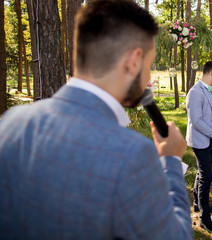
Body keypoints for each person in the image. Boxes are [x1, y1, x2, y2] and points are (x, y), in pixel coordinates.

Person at [0, 1, 193, 239]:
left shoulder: (10, 121)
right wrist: (171, 160)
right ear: (133, 62)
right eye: (149, 65)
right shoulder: (131, 154)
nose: (149, 76)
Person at [185, 61, 212, 233]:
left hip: (208, 139)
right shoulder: (195, 92)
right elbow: (196, 121)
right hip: (200, 141)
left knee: (202, 172)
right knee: (206, 176)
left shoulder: (206, 90)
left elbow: (209, 115)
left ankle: (197, 204)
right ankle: (204, 218)